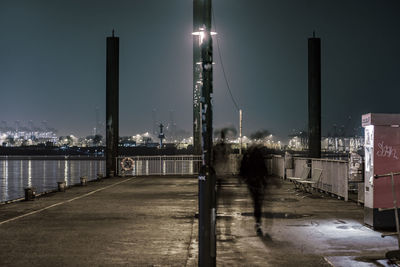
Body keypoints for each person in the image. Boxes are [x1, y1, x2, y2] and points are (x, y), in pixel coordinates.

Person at [239, 145, 269, 236]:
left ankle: (258, 222)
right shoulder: (259, 157)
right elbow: (264, 169)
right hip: (259, 182)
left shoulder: (247, 156)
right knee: (258, 203)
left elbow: (242, 169)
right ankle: (258, 222)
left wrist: (243, 178)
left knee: (256, 202)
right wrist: (264, 181)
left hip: (251, 182)